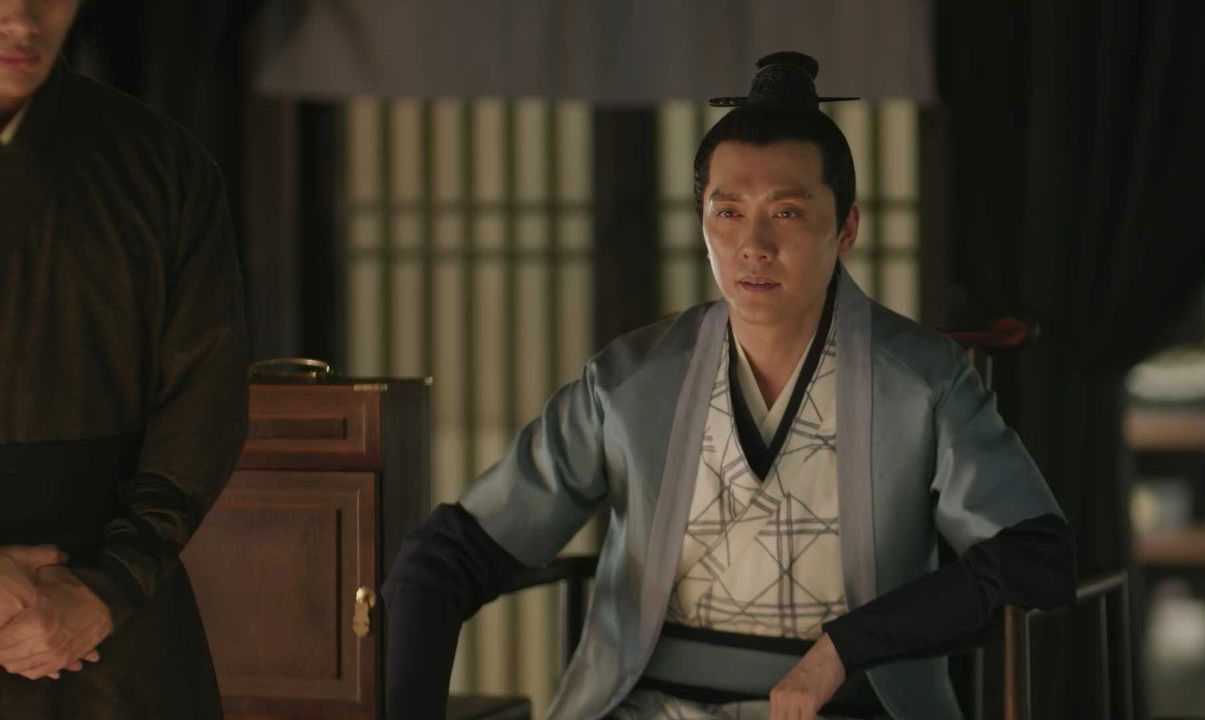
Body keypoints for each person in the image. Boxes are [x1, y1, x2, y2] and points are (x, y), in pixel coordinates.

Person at [383, 52, 1076, 720]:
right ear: (702, 225)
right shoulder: (632, 380)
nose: (754, 245)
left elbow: (1037, 555)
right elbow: (448, 556)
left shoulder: (921, 380)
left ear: (846, 228)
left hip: (849, 705)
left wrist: (846, 647)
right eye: (728, 211)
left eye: (787, 212)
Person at [0, 0, 248, 717]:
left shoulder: (160, 166)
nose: (23, 20)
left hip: (112, 611)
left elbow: (204, 401)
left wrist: (109, 587)